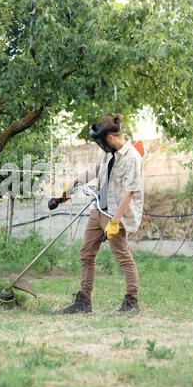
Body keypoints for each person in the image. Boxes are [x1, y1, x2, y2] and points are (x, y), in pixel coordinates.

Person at [59, 114, 144, 314]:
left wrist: (115, 222)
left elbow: (130, 191)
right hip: (98, 209)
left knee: (123, 257)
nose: (101, 145)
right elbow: (91, 173)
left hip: (116, 214)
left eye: (102, 140)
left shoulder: (132, 158)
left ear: (111, 137)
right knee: (86, 254)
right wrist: (67, 191)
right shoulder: (107, 154)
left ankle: (132, 301)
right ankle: (83, 302)